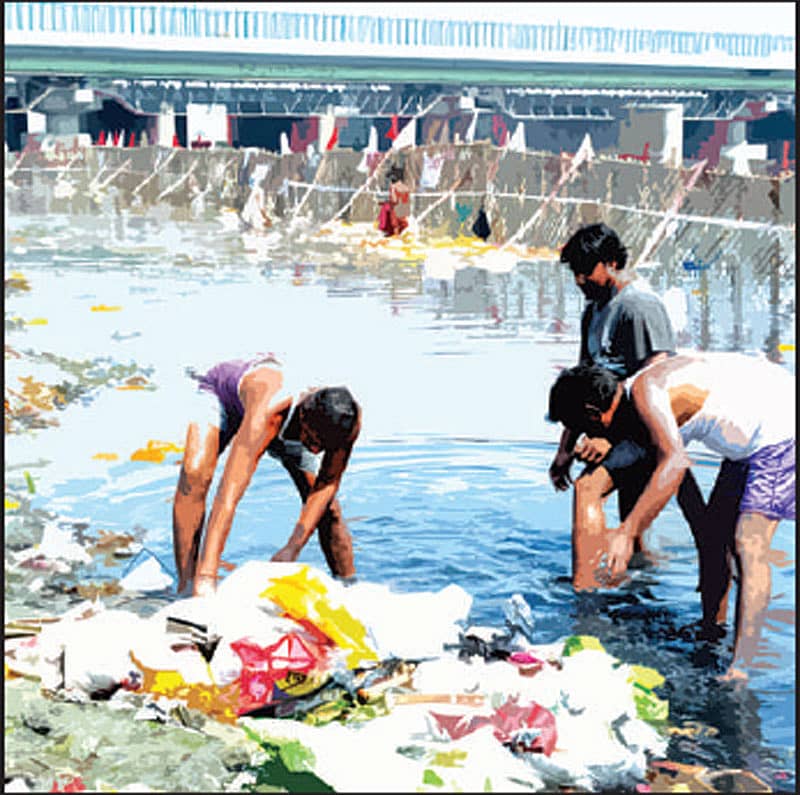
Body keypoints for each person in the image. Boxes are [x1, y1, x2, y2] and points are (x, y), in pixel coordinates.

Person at [547, 353, 795, 679]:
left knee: (749, 543)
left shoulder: (646, 394)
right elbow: (676, 478)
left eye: (584, 429)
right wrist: (702, 531)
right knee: (716, 537)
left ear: (595, 414)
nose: (589, 440)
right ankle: (712, 630)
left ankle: (741, 667)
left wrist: (627, 532)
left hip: (781, 427)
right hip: (750, 436)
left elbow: (675, 464)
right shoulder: (633, 403)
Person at [550, 223, 704, 589]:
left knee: (588, 489)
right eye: (574, 271)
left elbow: (659, 384)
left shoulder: (638, 307)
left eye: (585, 269)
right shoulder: (594, 311)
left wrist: (610, 439)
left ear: (612, 263)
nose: (579, 279)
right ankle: (637, 585)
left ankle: (586, 591)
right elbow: (583, 385)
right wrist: (564, 449)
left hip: (645, 430)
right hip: (615, 428)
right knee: (632, 529)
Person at [172, 354, 361, 597]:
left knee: (330, 510)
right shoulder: (270, 412)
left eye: (323, 448)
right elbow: (228, 496)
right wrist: (207, 577)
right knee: (194, 476)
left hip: (295, 427)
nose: (315, 451)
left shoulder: (347, 422)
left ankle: (348, 586)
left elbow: (327, 484)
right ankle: (189, 587)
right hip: (222, 397)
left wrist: (292, 549)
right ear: (303, 416)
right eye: (313, 442)